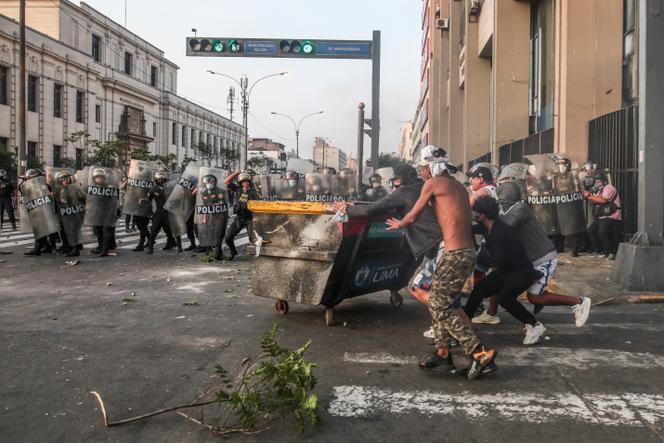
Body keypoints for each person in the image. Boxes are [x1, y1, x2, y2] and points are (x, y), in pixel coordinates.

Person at [386, 145, 497, 381]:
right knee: (440, 298)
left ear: (429, 167)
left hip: (454, 253)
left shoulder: (434, 184)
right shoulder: (456, 185)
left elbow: (413, 214)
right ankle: (442, 351)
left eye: (423, 168)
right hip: (465, 252)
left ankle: (480, 352)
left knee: (439, 304)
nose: (422, 173)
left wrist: (400, 223)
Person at [472, 181, 591, 329]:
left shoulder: (520, 208)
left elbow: (504, 225)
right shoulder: (504, 211)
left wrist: (485, 216)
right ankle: (491, 314)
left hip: (542, 258)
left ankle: (579, 302)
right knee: (497, 277)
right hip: (525, 260)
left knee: (534, 297)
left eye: (498, 199)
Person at [463, 197, 550, 346]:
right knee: (480, 288)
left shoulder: (501, 232)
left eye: (476, 212)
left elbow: (498, 260)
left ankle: (534, 325)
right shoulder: (489, 227)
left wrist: (474, 261)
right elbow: (470, 228)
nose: (474, 214)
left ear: (483, 215)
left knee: (505, 298)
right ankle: (464, 322)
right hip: (507, 270)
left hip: (521, 273)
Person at [224, 170, 259, 260]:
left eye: (247, 182)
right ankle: (233, 252)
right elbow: (226, 181)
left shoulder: (253, 191)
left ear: (249, 182)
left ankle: (259, 256)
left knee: (253, 240)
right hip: (239, 218)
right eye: (243, 182)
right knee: (228, 237)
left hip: (250, 219)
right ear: (241, 183)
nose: (245, 184)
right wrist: (236, 173)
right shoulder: (238, 189)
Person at [140, 170, 178, 254]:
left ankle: (174, 245)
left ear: (165, 179)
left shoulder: (170, 188)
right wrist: (143, 199)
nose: (160, 181)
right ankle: (150, 248)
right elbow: (149, 199)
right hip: (159, 213)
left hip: (168, 212)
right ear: (155, 180)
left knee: (170, 231)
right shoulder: (153, 189)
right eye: (158, 179)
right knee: (154, 230)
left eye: (162, 179)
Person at [586, 171, 621, 260]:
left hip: (612, 216)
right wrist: (591, 196)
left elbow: (603, 200)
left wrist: (590, 196)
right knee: (591, 230)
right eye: (596, 182)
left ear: (605, 182)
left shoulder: (609, 188)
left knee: (603, 231)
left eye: (599, 182)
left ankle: (610, 252)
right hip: (603, 216)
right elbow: (593, 201)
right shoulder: (600, 190)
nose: (597, 184)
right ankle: (599, 250)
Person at [193, 174, 228, 261]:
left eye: (210, 181)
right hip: (210, 215)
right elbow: (205, 206)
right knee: (208, 232)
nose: (209, 183)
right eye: (207, 181)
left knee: (218, 233)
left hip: (220, 215)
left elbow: (221, 203)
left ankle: (217, 251)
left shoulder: (219, 191)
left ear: (214, 182)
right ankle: (213, 251)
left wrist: (212, 205)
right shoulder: (204, 192)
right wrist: (205, 218)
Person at [53, 171, 85, 257]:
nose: (66, 181)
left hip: (74, 212)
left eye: (66, 179)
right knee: (64, 230)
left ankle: (75, 249)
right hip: (65, 213)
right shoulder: (59, 190)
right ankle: (67, 247)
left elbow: (82, 198)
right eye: (63, 180)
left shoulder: (74, 188)